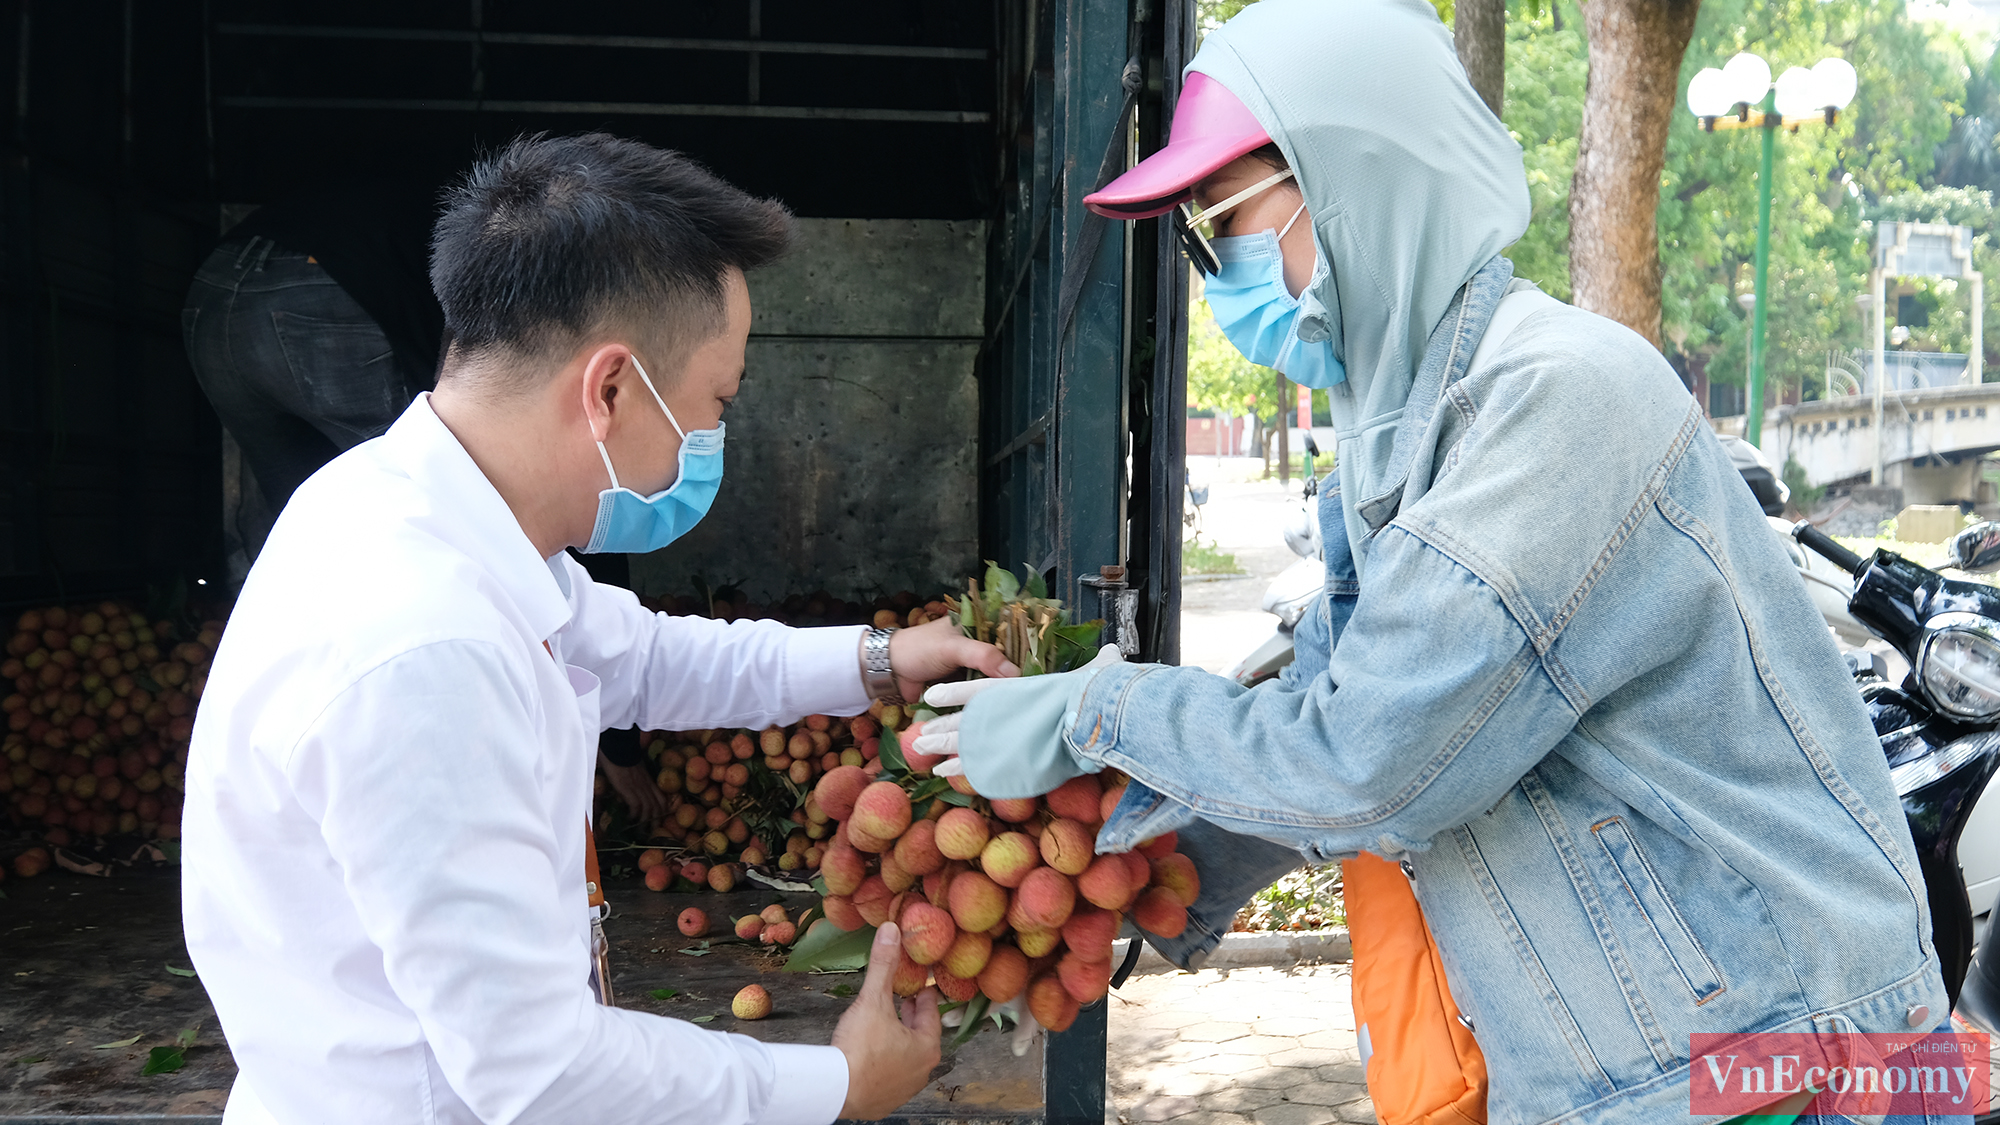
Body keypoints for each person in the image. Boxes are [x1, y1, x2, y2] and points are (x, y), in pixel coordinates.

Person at [923, 3, 1955, 1123]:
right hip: (1657, 1066)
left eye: (1226, 221)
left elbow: (1369, 762)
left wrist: (1096, 711)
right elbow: (1339, 729)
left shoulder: (1556, 399)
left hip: (1781, 1058)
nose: (1220, 272)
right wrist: (1133, 876)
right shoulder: (1399, 450)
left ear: (1354, 179)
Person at [181, 132, 1017, 1124]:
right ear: (611, 389)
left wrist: (881, 659)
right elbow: (540, 1074)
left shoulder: (412, 513)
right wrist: (833, 1088)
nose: (709, 442)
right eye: (715, 403)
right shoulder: (423, 647)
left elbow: (643, 657)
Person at [180, 179, 671, 826]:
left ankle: (276, 776)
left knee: (306, 540)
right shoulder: (577, 308)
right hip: (317, 298)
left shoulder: (524, 244)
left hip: (215, 293)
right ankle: (424, 768)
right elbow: (564, 507)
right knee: (428, 527)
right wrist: (617, 743)